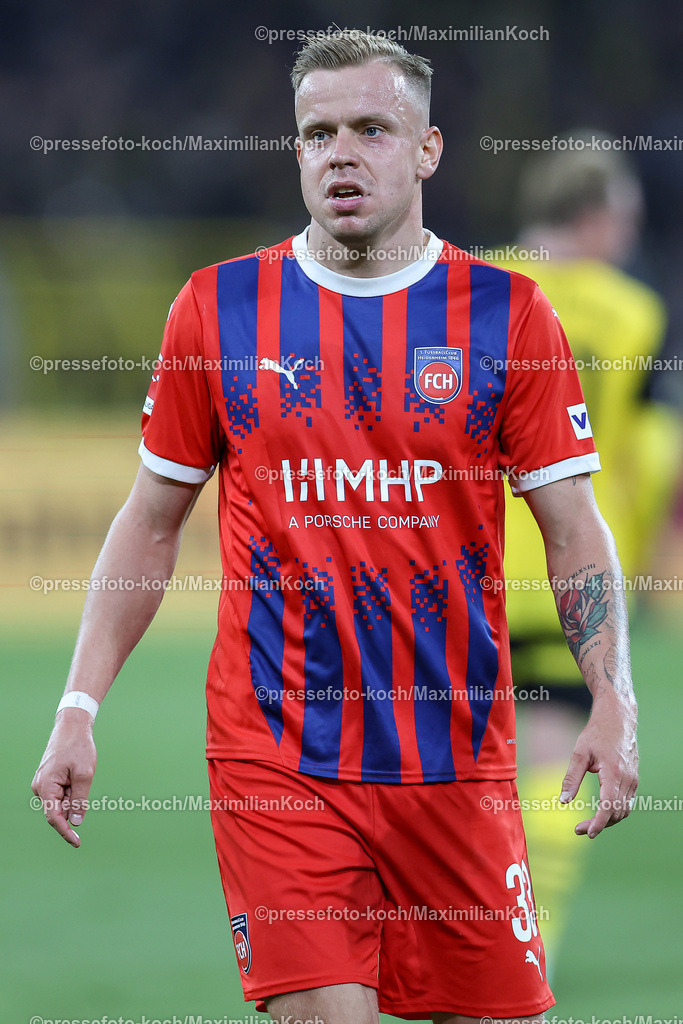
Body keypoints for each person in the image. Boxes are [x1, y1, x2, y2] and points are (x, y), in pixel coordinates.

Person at [32, 31, 639, 1024]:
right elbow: (149, 522)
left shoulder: (510, 316)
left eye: (370, 129)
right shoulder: (217, 308)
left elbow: (573, 528)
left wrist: (612, 697)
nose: (341, 154)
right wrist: (77, 706)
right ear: (296, 151)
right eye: (318, 134)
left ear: (427, 149)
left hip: (455, 759)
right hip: (276, 757)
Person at [493, 133, 679, 971]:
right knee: (553, 759)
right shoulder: (634, 312)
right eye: (624, 219)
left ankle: (433, 928)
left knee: (456, 758)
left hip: (460, 569)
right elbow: (654, 452)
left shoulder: (470, 284)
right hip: (570, 571)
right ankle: (526, 938)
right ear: (596, 216)